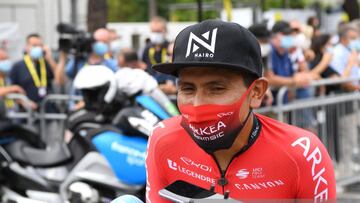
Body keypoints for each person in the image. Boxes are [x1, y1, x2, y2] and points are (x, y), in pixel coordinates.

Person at [146, 20, 336, 202]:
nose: (197, 104)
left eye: (217, 89)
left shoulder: (304, 154)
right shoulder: (162, 138)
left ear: (256, 92)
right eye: (188, 88)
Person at [9, 33, 61, 111]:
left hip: (47, 110)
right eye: (34, 45)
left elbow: (60, 80)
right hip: (27, 113)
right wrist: (23, 102)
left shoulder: (47, 63)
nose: (37, 48)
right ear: (27, 47)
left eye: (40, 45)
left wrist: (49, 58)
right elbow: (11, 90)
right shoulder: (17, 66)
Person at [266, 21, 312, 104]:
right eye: (285, 34)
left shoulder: (285, 52)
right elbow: (269, 79)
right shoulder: (269, 51)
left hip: (283, 103)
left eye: (289, 34)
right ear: (274, 36)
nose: (289, 37)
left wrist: (297, 78)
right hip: (270, 104)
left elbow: (293, 74)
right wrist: (293, 81)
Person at [330, 23, 360, 91]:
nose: (356, 41)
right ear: (343, 39)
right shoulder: (337, 53)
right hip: (347, 94)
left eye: (357, 38)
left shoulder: (350, 50)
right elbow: (341, 80)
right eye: (353, 38)